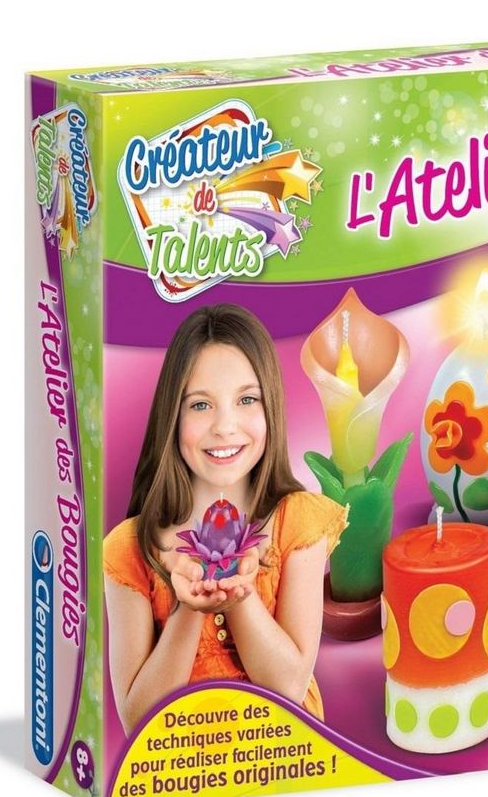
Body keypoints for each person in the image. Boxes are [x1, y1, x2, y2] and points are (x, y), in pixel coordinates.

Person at [103, 304, 347, 733]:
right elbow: (137, 720)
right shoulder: (129, 548)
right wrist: (188, 606)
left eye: (247, 399)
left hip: (287, 756)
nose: (225, 426)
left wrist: (239, 595)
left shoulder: (297, 522)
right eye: (200, 405)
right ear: (172, 416)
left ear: (271, 405)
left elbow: (289, 687)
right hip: (182, 764)